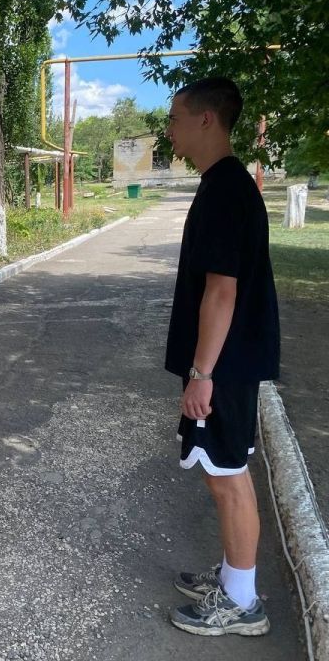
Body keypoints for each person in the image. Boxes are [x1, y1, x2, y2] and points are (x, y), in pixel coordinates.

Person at [163, 77, 279, 637]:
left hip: (224, 366)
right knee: (224, 472)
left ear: (205, 119)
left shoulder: (227, 190)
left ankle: (242, 602)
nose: (169, 130)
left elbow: (222, 291)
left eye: (174, 118)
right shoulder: (223, 184)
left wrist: (202, 373)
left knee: (226, 475)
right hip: (228, 362)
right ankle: (234, 577)